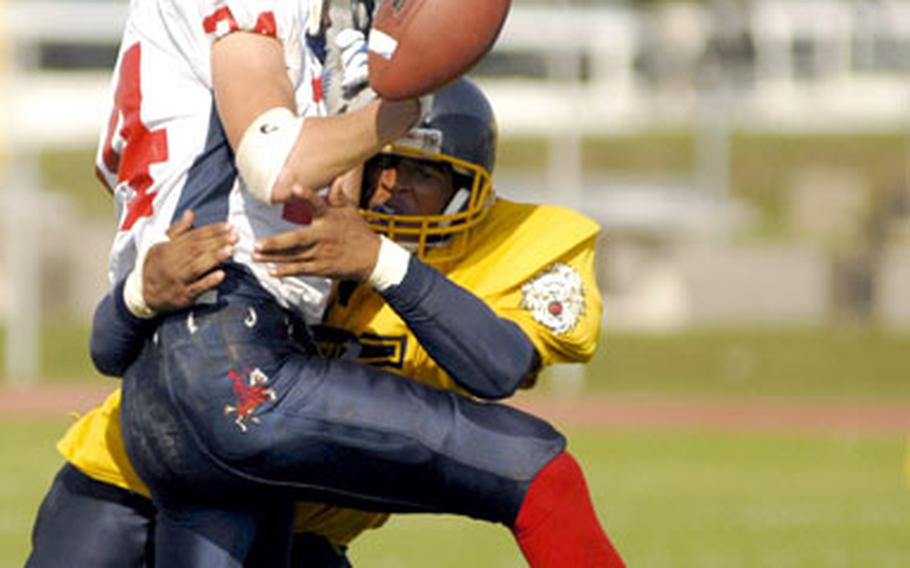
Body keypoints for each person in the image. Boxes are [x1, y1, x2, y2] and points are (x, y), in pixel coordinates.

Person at [57, 0, 625, 564]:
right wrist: (140, 291)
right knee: (532, 468)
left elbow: (499, 367)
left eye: (424, 172)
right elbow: (109, 347)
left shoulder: (505, 243)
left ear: (468, 186)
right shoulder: (302, 224)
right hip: (130, 471)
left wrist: (381, 262)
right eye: (382, 164)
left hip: (268, 484)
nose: (391, 187)